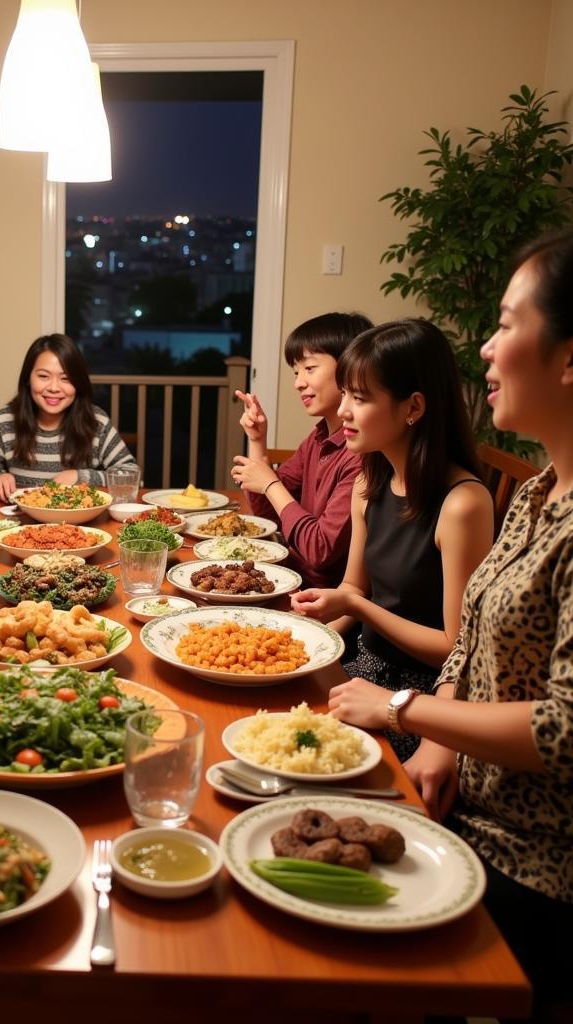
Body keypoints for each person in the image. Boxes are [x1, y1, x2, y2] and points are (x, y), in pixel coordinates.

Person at [328, 232, 573, 1015]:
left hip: (528, 858)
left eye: (507, 324)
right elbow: (468, 640)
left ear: (569, 357)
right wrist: (438, 739)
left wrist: (406, 711)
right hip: (460, 789)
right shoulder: (539, 494)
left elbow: (566, 729)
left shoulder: (480, 499)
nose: (489, 350)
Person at [290, 318, 495, 760]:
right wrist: (301, 635)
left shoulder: (462, 504)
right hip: (362, 665)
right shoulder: (371, 481)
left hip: (424, 697)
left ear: (413, 408)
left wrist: (358, 608)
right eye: (343, 393)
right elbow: (352, 589)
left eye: (359, 398)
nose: (342, 410)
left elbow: (455, 649)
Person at [231, 312, 371, 588]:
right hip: (289, 576)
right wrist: (258, 441)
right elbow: (269, 517)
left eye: (309, 368)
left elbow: (320, 551)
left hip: (320, 597)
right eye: (296, 372)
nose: (298, 383)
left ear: (351, 366)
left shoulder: (361, 453)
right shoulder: (318, 437)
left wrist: (270, 483)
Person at [0, 333, 138, 501]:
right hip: (20, 523)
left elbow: (131, 475)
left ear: (78, 383)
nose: (53, 388)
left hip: (80, 524)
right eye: (43, 376)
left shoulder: (96, 422)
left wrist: (80, 477)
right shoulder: (3, 422)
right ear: (28, 378)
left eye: (65, 378)